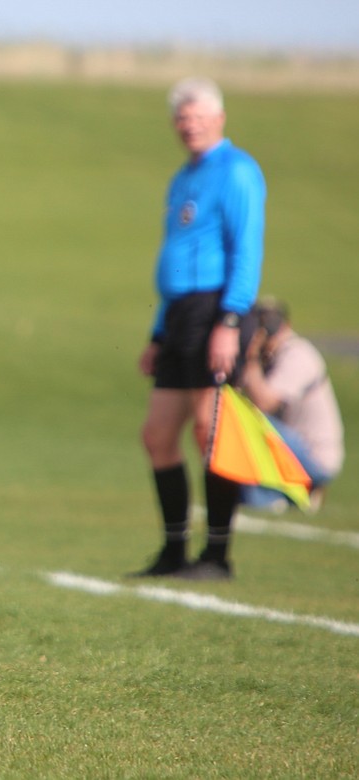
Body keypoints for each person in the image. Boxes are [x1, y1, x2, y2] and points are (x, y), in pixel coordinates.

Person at [133, 77, 267, 582]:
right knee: (157, 435)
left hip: (216, 312)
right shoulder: (183, 178)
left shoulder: (236, 171)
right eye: (181, 118)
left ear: (220, 118)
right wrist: (157, 331)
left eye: (198, 116)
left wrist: (230, 320)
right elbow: (175, 260)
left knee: (212, 432)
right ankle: (173, 552)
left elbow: (246, 250)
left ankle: (216, 556)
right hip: (179, 316)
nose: (189, 125)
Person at [237, 297, 344, 512]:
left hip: (314, 455)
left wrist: (250, 357)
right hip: (292, 447)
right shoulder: (270, 356)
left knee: (245, 421)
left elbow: (264, 403)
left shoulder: (298, 355)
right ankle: (296, 491)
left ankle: (270, 499)